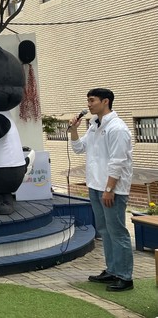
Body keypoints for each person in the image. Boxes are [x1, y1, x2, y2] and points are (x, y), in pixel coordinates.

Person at [69, 88, 133, 292]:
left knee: (117, 232)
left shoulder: (117, 128)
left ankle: (125, 276)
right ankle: (112, 270)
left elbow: (118, 162)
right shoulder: (94, 125)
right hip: (95, 186)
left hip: (112, 189)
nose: (88, 105)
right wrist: (73, 130)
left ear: (105, 101)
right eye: (88, 100)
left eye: (92, 100)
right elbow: (79, 148)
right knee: (105, 231)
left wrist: (109, 188)